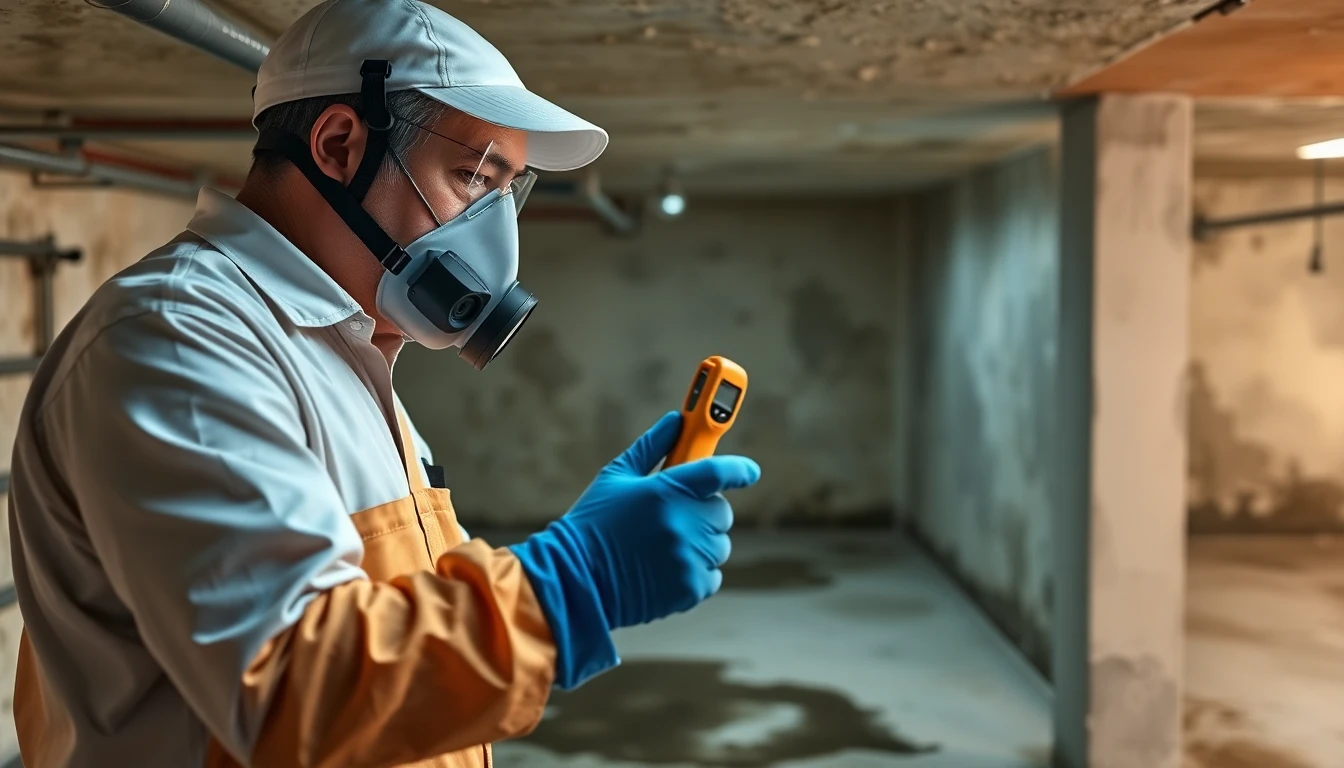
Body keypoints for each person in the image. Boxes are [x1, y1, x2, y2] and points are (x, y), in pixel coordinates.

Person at [5, 1, 761, 766]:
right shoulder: (179, 340)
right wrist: (573, 580)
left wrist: (574, 554)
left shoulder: (340, 350)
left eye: (509, 191)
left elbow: (385, 639)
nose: (497, 231)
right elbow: (291, 688)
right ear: (341, 145)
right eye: (473, 177)